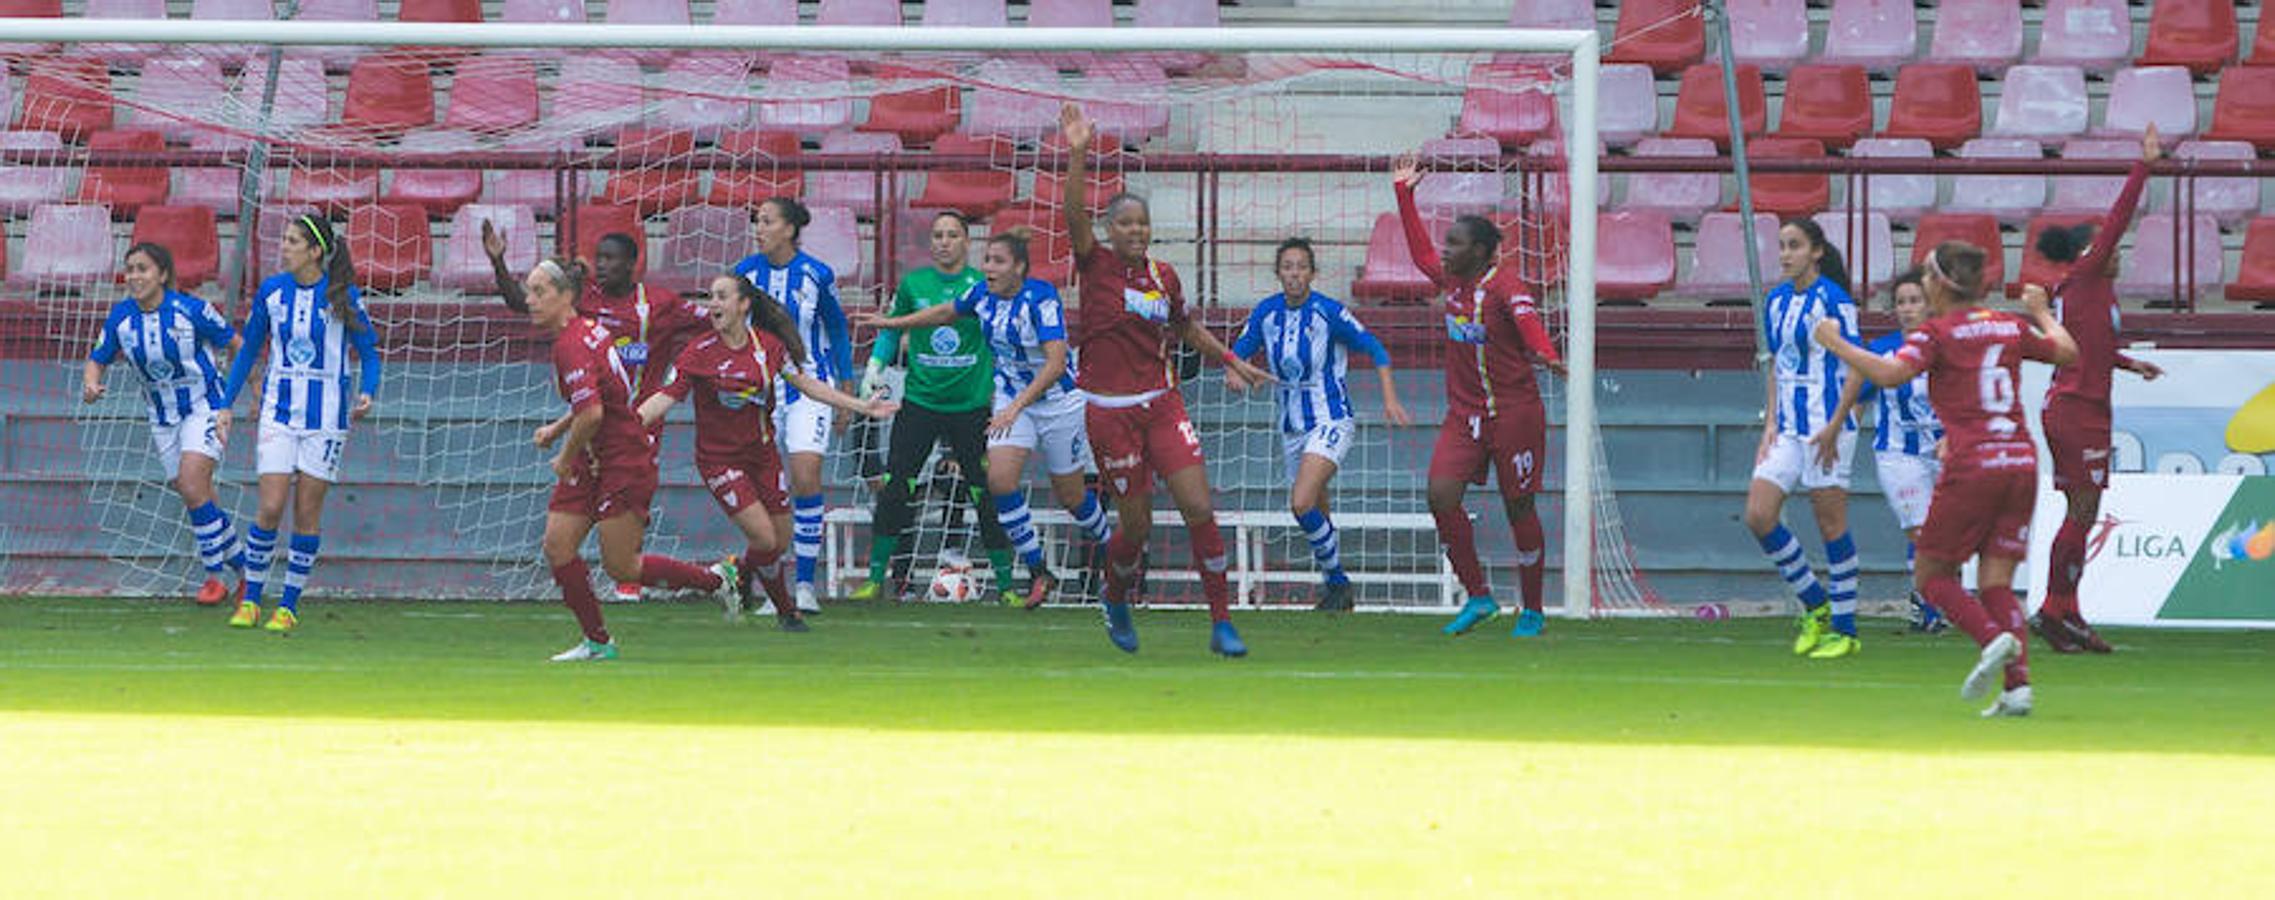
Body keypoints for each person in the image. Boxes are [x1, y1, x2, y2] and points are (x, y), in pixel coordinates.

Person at [1813, 242, 2078, 716]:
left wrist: (1835, 342)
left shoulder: (1938, 333)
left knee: (1931, 575)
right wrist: (2041, 312)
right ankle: (2018, 690)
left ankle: (1991, 638)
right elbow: (2066, 351)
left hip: (1974, 464)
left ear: (1939, 283)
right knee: (1996, 581)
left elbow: (1891, 374)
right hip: (2019, 460)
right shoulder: (2009, 324)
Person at [1060, 102, 1274, 657]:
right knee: (1136, 527)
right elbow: (1073, 218)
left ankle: (1222, 622)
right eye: (1125, 223)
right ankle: (1115, 596)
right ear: (1110, 230)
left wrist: (1230, 358)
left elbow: (1184, 327)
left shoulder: (1164, 275)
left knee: (1199, 507)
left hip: (1162, 403)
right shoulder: (1095, 264)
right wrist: (1080, 151)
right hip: (1109, 413)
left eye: (1142, 223)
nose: (1135, 230)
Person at [858, 228, 1119, 610]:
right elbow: (946, 311)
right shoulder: (982, 294)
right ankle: (1038, 570)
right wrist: (895, 324)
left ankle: (1115, 552)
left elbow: (1055, 363)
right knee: (998, 481)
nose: (988, 268)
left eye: (997, 262)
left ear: (1019, 268)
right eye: (987, 261)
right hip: (1014, 400)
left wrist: (1014, 408)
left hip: (1058, 403)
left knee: (1072, 495)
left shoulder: (1041, 298)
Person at [639, 274, 897, 631]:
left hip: (762, 456)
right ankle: (786, 611)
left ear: (744, 305)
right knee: (764, 538)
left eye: (722, 297)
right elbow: (663, 398)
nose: (713, 304)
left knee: (778, 542)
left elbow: (807, 383)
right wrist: (629, 427)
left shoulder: (769, 347)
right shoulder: (698, 352)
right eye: (711, 297)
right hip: (719, 460)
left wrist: (860, 406)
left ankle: (736, 573)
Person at [523, 257, 739, 662]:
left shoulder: (572, 343)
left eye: (539, 292)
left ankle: (715, 579)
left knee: (621, 567)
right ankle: (598, 643)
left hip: (622, 457)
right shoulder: (588, 332)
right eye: (528, 292)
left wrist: (564, 456)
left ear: (566, 296)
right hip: (595, 455)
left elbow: (593, 414)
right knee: (557, 546)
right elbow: (597, 397)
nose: (530, 301)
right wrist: (557, 431)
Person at [1389, 152, 1564, 638]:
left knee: (1518, 508)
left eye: (1457, 245)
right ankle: (1480, 596)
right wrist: (1404, 194)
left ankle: (1532, 609)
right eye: (1448, 243)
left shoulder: (1508, 286)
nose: (1446, 252)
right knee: (1440, 495)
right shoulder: (1450, 283)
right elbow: (1421, 252)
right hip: (1464, 416)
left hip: (1514, 415)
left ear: (1486, 253)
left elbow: (1530, 324)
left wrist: (1547, 354)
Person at [485, 222, 703, 603]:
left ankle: (644, 580)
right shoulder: (584, 307)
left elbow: (714, 323)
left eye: (611, 259)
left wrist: (681, 376)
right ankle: (598, 630)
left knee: (619, 554)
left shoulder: (658, 304)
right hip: (591, 434)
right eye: (598, 258)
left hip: (633, 430)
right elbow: (524, 304)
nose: (603, 266)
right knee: (558, 544)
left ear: (633, 264)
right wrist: (499, 262)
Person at [2032, 126, 2167, 654]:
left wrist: (2131, 364)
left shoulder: (2099, 294)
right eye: (2106, 245)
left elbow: (2093, 348)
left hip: (2084, 406)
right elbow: (2116, 222)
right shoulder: (2086, 276)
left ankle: (2066, 611)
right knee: (2082, 510)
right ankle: (2054, 610)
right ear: (2090, 253)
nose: (2116, 249)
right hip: (2074, 409)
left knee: (2081, 513)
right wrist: (2145, 167)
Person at [1227, 237, 1413, 612]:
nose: (1294, 274)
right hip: (1290, 425)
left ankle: (1340, 582)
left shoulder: (1328, 312)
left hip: (1331, 417)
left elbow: (1375, 348)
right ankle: (1336, 589)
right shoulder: (1265, 313)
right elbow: (1235, 354)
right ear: (1278, 272)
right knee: (1315, 508)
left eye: (1301, 267)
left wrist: (1390, 398)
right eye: (1287, 267)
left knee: (1300, 502)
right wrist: (1237, 374)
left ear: (1312, 273)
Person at [218, 213, 382, 634]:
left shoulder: (343, 295)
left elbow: (370, 350)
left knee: (306, 513)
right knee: (270, 506)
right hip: (278, 411)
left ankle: (288, 605)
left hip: (326, 418)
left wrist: (369, 389)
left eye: (293, 241)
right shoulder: (272, 292)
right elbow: (250, 348)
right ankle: (252, 598)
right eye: (284, 239)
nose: (284, 248)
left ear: (315, 252)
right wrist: (225, 404)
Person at [846, 211, 1019, 605]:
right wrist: (875, 367)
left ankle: (1008, 587)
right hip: (920, 403)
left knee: (984, 493)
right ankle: (877, 580)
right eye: (938, 235)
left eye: (952, 234)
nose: (944, 241)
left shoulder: (983, 285)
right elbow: (892, 331)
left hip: (971, 407)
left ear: (967, 242)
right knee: (895, 490)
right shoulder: (913, 284)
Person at [82, 242, 246, 606]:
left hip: (205, 406)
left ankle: (214, 578)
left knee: (191, 482)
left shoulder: (192, 310)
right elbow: (97, 359)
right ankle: (245, 569)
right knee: (197, 493)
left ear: (163, 275)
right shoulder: (121, 318)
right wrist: (91, 383)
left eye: (143, 269)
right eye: (131, 269)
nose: (135, 276)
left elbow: (238, 343)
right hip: (162, 417)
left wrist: (249, 385)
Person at [1739, 218, 1863, 659]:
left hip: (1827, 427)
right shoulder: (1775, 301)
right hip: (1788, 428)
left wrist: (1835, 425)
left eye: (1795, 246)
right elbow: (1778, 364)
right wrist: (1770, 422)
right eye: (1782, 246)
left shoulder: (1834, 301)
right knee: (1758, 514)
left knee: (1831, 525)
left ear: (1816, 252)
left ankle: (1846, 630)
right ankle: (1816, 603)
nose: (1786, 254)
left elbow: (1857, 366)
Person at [734, 197, 854, 615]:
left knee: (805, 476)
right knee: (768, 488)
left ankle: (804, 584)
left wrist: (847, 387)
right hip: (762, 391)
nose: (759, 228)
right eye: (757, 220)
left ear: (788, 229)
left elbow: (837, 329)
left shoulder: (817, 274)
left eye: (766, 221)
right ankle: (774, 583)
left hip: (810, 386)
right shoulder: (744, 274)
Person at [1821, 269, 1947, 633]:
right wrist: (1839, 434)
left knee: (1944, 534)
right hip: (1898, 452)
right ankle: (1928, 607)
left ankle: (1927, 596)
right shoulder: (1881, 351)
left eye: (1915, 301)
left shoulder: (1946, 347)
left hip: (1945, 450)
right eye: (1901, 303)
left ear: (1930, 304)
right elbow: (1857, 398)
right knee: (1920, 531)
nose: (1908, 309)